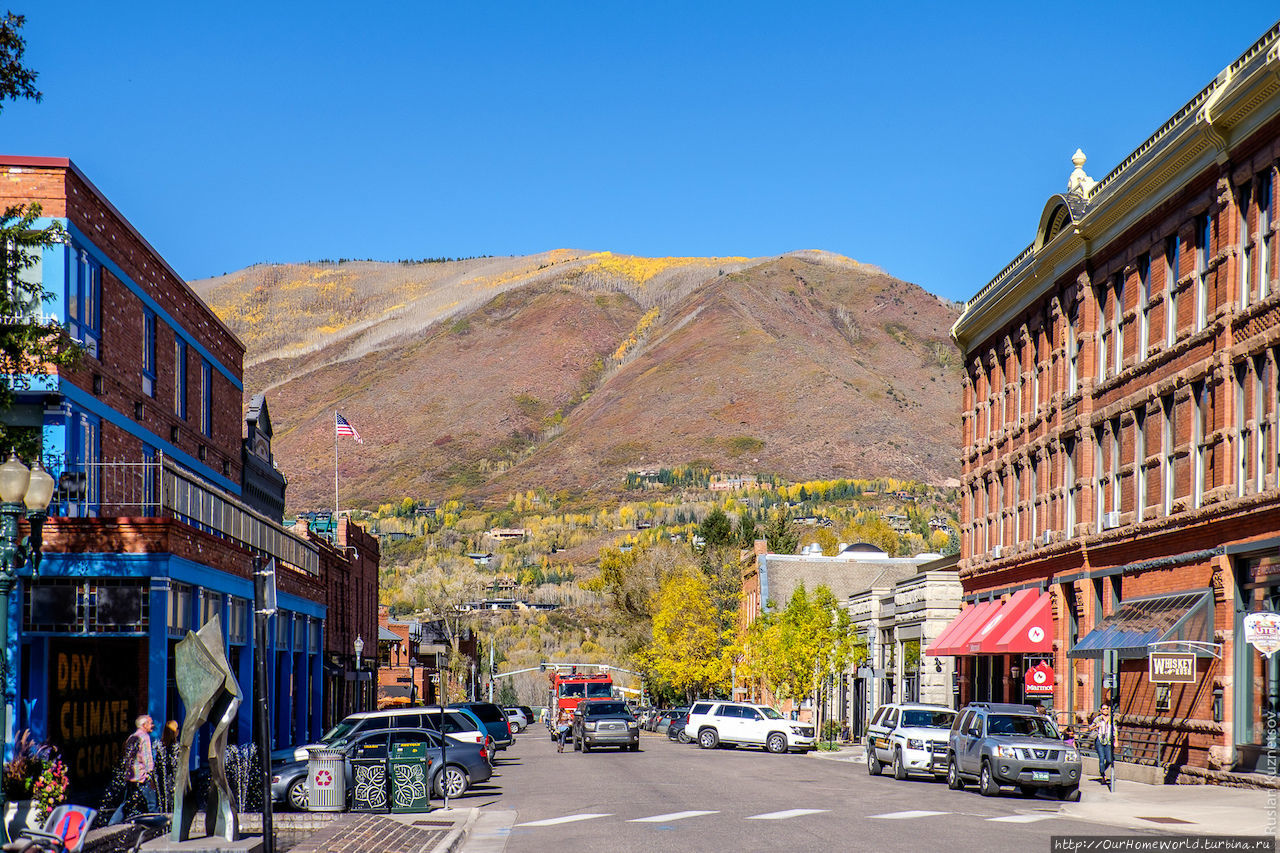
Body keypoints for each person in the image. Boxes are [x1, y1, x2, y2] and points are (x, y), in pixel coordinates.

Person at [109, 715, 158, 824]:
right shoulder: (144, 737)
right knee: (152, 803)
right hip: (142, 776)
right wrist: (150, 774)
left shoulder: (132, 736)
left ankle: (112, 823)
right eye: (150, 723)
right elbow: (147, 757)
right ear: (144, 725)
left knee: (127, 803)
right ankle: (157, 826)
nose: (152, 725)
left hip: (131, 776)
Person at [1091, 704, 1114, 784]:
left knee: (1109, 759)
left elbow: (1115, 730)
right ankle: (1103, 775)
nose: (1105, 710)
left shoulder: (1112, 719)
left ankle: (1102, 769)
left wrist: (1116, 741)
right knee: (1101, 757)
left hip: (1108, 741)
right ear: (1100, 710)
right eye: (1103, 709)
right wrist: (1096, 726)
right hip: (1099, 740)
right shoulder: (1098, 719)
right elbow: (1090, 727)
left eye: (1107, 708)